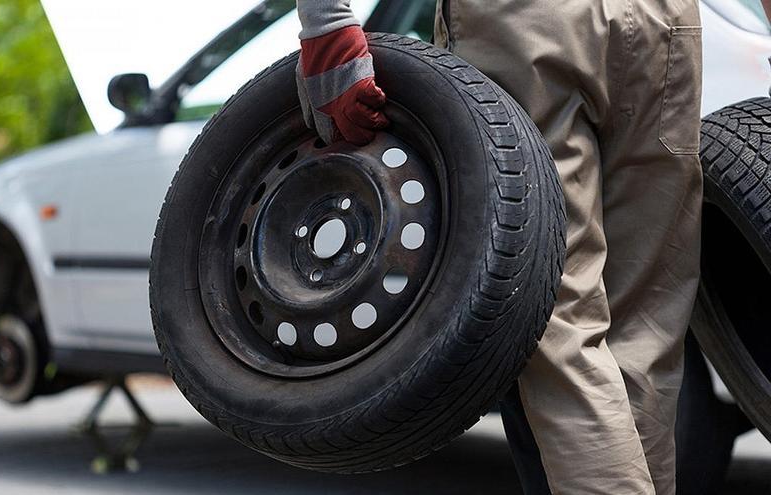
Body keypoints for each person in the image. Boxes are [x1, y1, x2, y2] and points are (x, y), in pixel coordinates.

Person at [295, 1, 708, 493]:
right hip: (667, 18)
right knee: (645, 326)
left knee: (553, 317)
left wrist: (328, 29)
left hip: (530, 22)